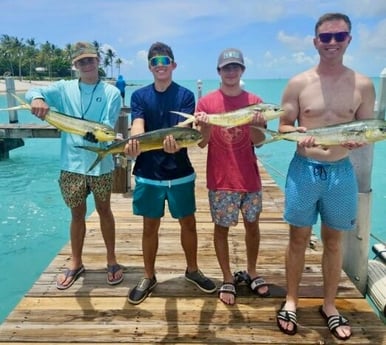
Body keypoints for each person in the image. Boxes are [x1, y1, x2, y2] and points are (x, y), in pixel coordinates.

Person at [276, 13, 376, 340]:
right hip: (304, 169)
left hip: (340, 172)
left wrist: (359, 140)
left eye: (339, 36)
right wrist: (298, 133)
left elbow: (366, 127)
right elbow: (284, 126)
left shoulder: (363, 84)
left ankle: (329, 305)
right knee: (298, 239)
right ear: (315, 41)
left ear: (349, 39)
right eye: (326, 37)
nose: (332, 43)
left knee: (334, 242)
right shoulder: (298, 83)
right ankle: (291, 299)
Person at [25, 41, 124, 290]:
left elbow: (107, 126)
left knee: (104, 210)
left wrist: (99, 134)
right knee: (76, 214)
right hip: (71, 165)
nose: (87, 64)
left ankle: (111, 259)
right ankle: (76, 262)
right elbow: (32, 92)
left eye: (90, 60)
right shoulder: (63, 88)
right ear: (75, 65)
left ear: (98, 61)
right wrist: (37, 98)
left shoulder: (112, 93)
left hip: (100, 165)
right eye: (81, 61)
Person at [124, 41, 216, 305]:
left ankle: (193, 270)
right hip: (148, 173)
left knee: (188, 223)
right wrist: (133, 144)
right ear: (150, 67)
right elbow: (138, 126)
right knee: (149, 226)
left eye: (165, 62)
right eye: (155, 62)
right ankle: (149, 276)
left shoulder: (185, 96)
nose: (160, 66)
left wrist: (176, 146)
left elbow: (185, 132)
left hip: (180, 173)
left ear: (173, 65)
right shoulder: (139, 96)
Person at [194, 48, 269, 306]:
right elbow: (202, 143)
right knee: (221, 228)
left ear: (242, 70)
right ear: (219, 72)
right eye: (226, 68)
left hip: (249, 177)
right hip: (221, 178)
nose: (231, 72)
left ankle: (252, 270)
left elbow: (258, 142)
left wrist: (255, 122)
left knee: (253, 226)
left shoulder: (255, 101)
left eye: (235, 67)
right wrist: (204, 125)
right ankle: (227, 277)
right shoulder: (206, 104)